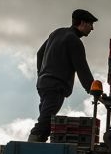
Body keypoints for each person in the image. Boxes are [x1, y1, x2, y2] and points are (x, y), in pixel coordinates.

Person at [27, 9, 98, 142]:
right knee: (45, 122)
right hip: (56, 86)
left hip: (43, 84)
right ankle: (28, 150)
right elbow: (82, 68)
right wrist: (94, 90)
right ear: (82, 23)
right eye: (90, 24)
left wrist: (41, 74)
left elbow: (39, 54)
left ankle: (34, 147)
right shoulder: (74, 41)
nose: (92, 28)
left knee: (46, 119)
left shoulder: (57, 32)